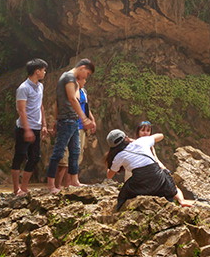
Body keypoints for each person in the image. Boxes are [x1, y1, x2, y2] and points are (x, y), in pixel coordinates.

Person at [105, 128, 190, 210]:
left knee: (123, 193)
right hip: (157, 178)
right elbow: (160, 135)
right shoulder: (141, 141)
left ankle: (121, 209)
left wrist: (111, 166)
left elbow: (109, 175)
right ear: (125, 137)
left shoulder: (118, 156)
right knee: (172, 185)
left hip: (140, 183)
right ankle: (182, 201)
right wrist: (132, 140)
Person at [45, 58, 96, 193]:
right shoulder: (69, 77)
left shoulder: (71, 78)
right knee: (59, 152)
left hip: (72, 120)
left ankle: (74, 181)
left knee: (75, 151)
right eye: (88, 74)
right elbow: (72, 99)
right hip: (67, 119)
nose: (86, 77)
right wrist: (84, 118)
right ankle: (51, 185)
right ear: (83, 68)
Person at [11, 58, 48, 195]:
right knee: (19, 156)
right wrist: (27, 129)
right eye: (43, 70)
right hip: (23, 128)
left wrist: (44, 124)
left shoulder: (40, 86)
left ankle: (24, 188)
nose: (45, 72)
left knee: (35, 157)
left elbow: (40, 106)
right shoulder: (23, 88)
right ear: (37, 71)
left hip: (37, 127)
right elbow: (21, 110)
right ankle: (16, 189)